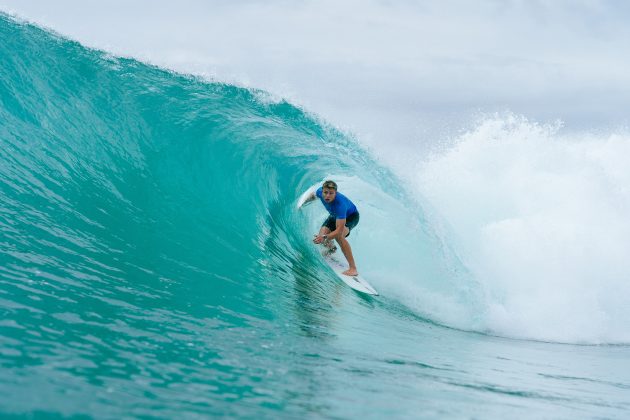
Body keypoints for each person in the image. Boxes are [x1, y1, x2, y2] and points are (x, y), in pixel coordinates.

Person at [302, 180, 360, 276]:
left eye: (331, 193)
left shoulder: (340, 205)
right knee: (322, 235)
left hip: (350, 217)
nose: (327, 196)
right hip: (334, 215)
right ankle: (331, 249)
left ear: (335, 193)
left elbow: (338, 231)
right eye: (325, 192)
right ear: (322, 191)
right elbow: (313, 196)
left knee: (339, 236)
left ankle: (353, 268)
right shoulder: (320, 192)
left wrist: (325, 237)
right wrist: (303, 204)